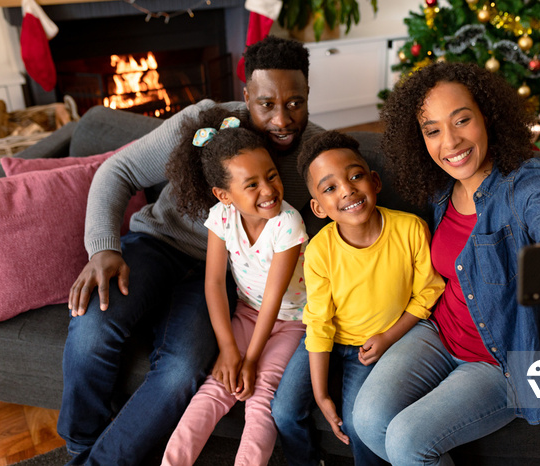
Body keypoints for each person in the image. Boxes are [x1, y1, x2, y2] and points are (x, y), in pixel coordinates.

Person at [352, 61, 540, 465]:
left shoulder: (524, 183)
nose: (450, 142)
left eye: (462, 120)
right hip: (438, 333)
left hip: (501, 362)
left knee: (406, 440)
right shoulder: (441, 187)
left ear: (486, 116)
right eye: (432, 130)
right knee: (367, 420)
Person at [57, 36, 324, 465]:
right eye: (266, 104)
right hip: (157, 245)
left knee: (182, 371)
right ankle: (80, 447)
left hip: (220, 279)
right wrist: (102, 247)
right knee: (91, 328)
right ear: (245, 96)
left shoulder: (316, 155)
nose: (282, 119)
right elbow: (119, 169)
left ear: (308, 93)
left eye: (295, 102)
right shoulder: (206, 122)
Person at [270, 131, 445, 466]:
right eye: (331, 187)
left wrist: (388, 337)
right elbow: (319, 323)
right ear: (318, 207)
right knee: (284, 409)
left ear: (374, 181)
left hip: (373, 348)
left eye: (355, 176)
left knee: (358, 424)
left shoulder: (411, 230)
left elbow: (428, 292)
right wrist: (321, 395)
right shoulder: (320, 249)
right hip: (327, 340)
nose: (348, 189)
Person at [159, 107, 308, 466]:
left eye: (271, 176)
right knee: (216, 387)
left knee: (260, 397)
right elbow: (213, 283)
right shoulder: (221, 217)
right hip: (246, 313)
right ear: (224, 195)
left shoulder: (288, 224)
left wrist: (251, 359)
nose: (269, 190)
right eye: (252, 184)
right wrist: (228, 348)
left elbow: (274, 298)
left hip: (293, 320)